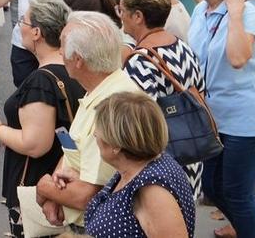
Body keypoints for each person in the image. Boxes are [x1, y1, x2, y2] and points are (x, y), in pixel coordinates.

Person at [0, 0, 84, 238]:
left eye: (23, 22)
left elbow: (34, 144)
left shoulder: (41, 81)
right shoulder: (73, 69)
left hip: (39, 185)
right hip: (63, 177)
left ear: (37, 32)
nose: (19, 27)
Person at [33, 11, 144, 232]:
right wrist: (57, 193)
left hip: (91, 228)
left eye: (63, 45)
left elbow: (88, 195)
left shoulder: (109, 110)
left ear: (78, 60)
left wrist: (45, 187)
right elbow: (73, 150)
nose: (60, 51)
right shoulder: (102, 90)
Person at [187, 0, 255, 238]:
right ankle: (246, 228)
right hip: (211, 116)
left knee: (237, 192)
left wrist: (234, 14)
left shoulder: (247, 13)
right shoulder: (200, 11)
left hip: (244, 115)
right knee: (211, 186)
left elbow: (237, 58)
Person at [117, 0, 206, 194]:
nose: (120, 15)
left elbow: (139, 125)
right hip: (189, 160)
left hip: (160, 173)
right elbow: (200, 92)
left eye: (122, 10)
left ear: (138, 16)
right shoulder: (183, 47)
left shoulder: (141, 62)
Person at [82, 93, 197, 238]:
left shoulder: (152, 189)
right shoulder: (138, 166)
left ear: (116, 145)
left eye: (98, 129)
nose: (95, 134)